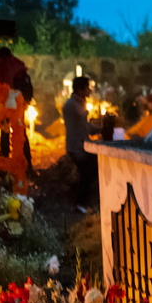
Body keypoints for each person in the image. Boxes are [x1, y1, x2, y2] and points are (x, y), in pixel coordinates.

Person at [0, 47, 34, 174]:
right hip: (16, 106)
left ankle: (6, 166)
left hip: (10, 106)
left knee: (7, 134)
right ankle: (25, 165)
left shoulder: (0, 65)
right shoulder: (17, 66)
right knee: (19, 134)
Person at [63, 76, 101, 210]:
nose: (89, 91)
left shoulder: (79, 103)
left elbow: (84, 126)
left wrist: (100, 129)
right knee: (87, 174)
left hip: (83, 146)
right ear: (80, 90)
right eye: (87, 88)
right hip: (77, 148)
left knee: (91, 172)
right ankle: (79, 203)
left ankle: (81, 200)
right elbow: (79, 126)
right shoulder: (72, 106)